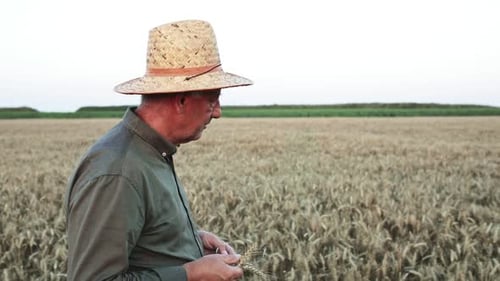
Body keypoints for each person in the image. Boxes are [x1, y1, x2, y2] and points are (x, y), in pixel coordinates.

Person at [64, 20, 252, 281]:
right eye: (212, 100)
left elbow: (141, 242)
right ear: (182, 100)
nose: (218, 112)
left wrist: (190, 242)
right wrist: (189, 274)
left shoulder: (151, 152)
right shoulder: (117, 172)